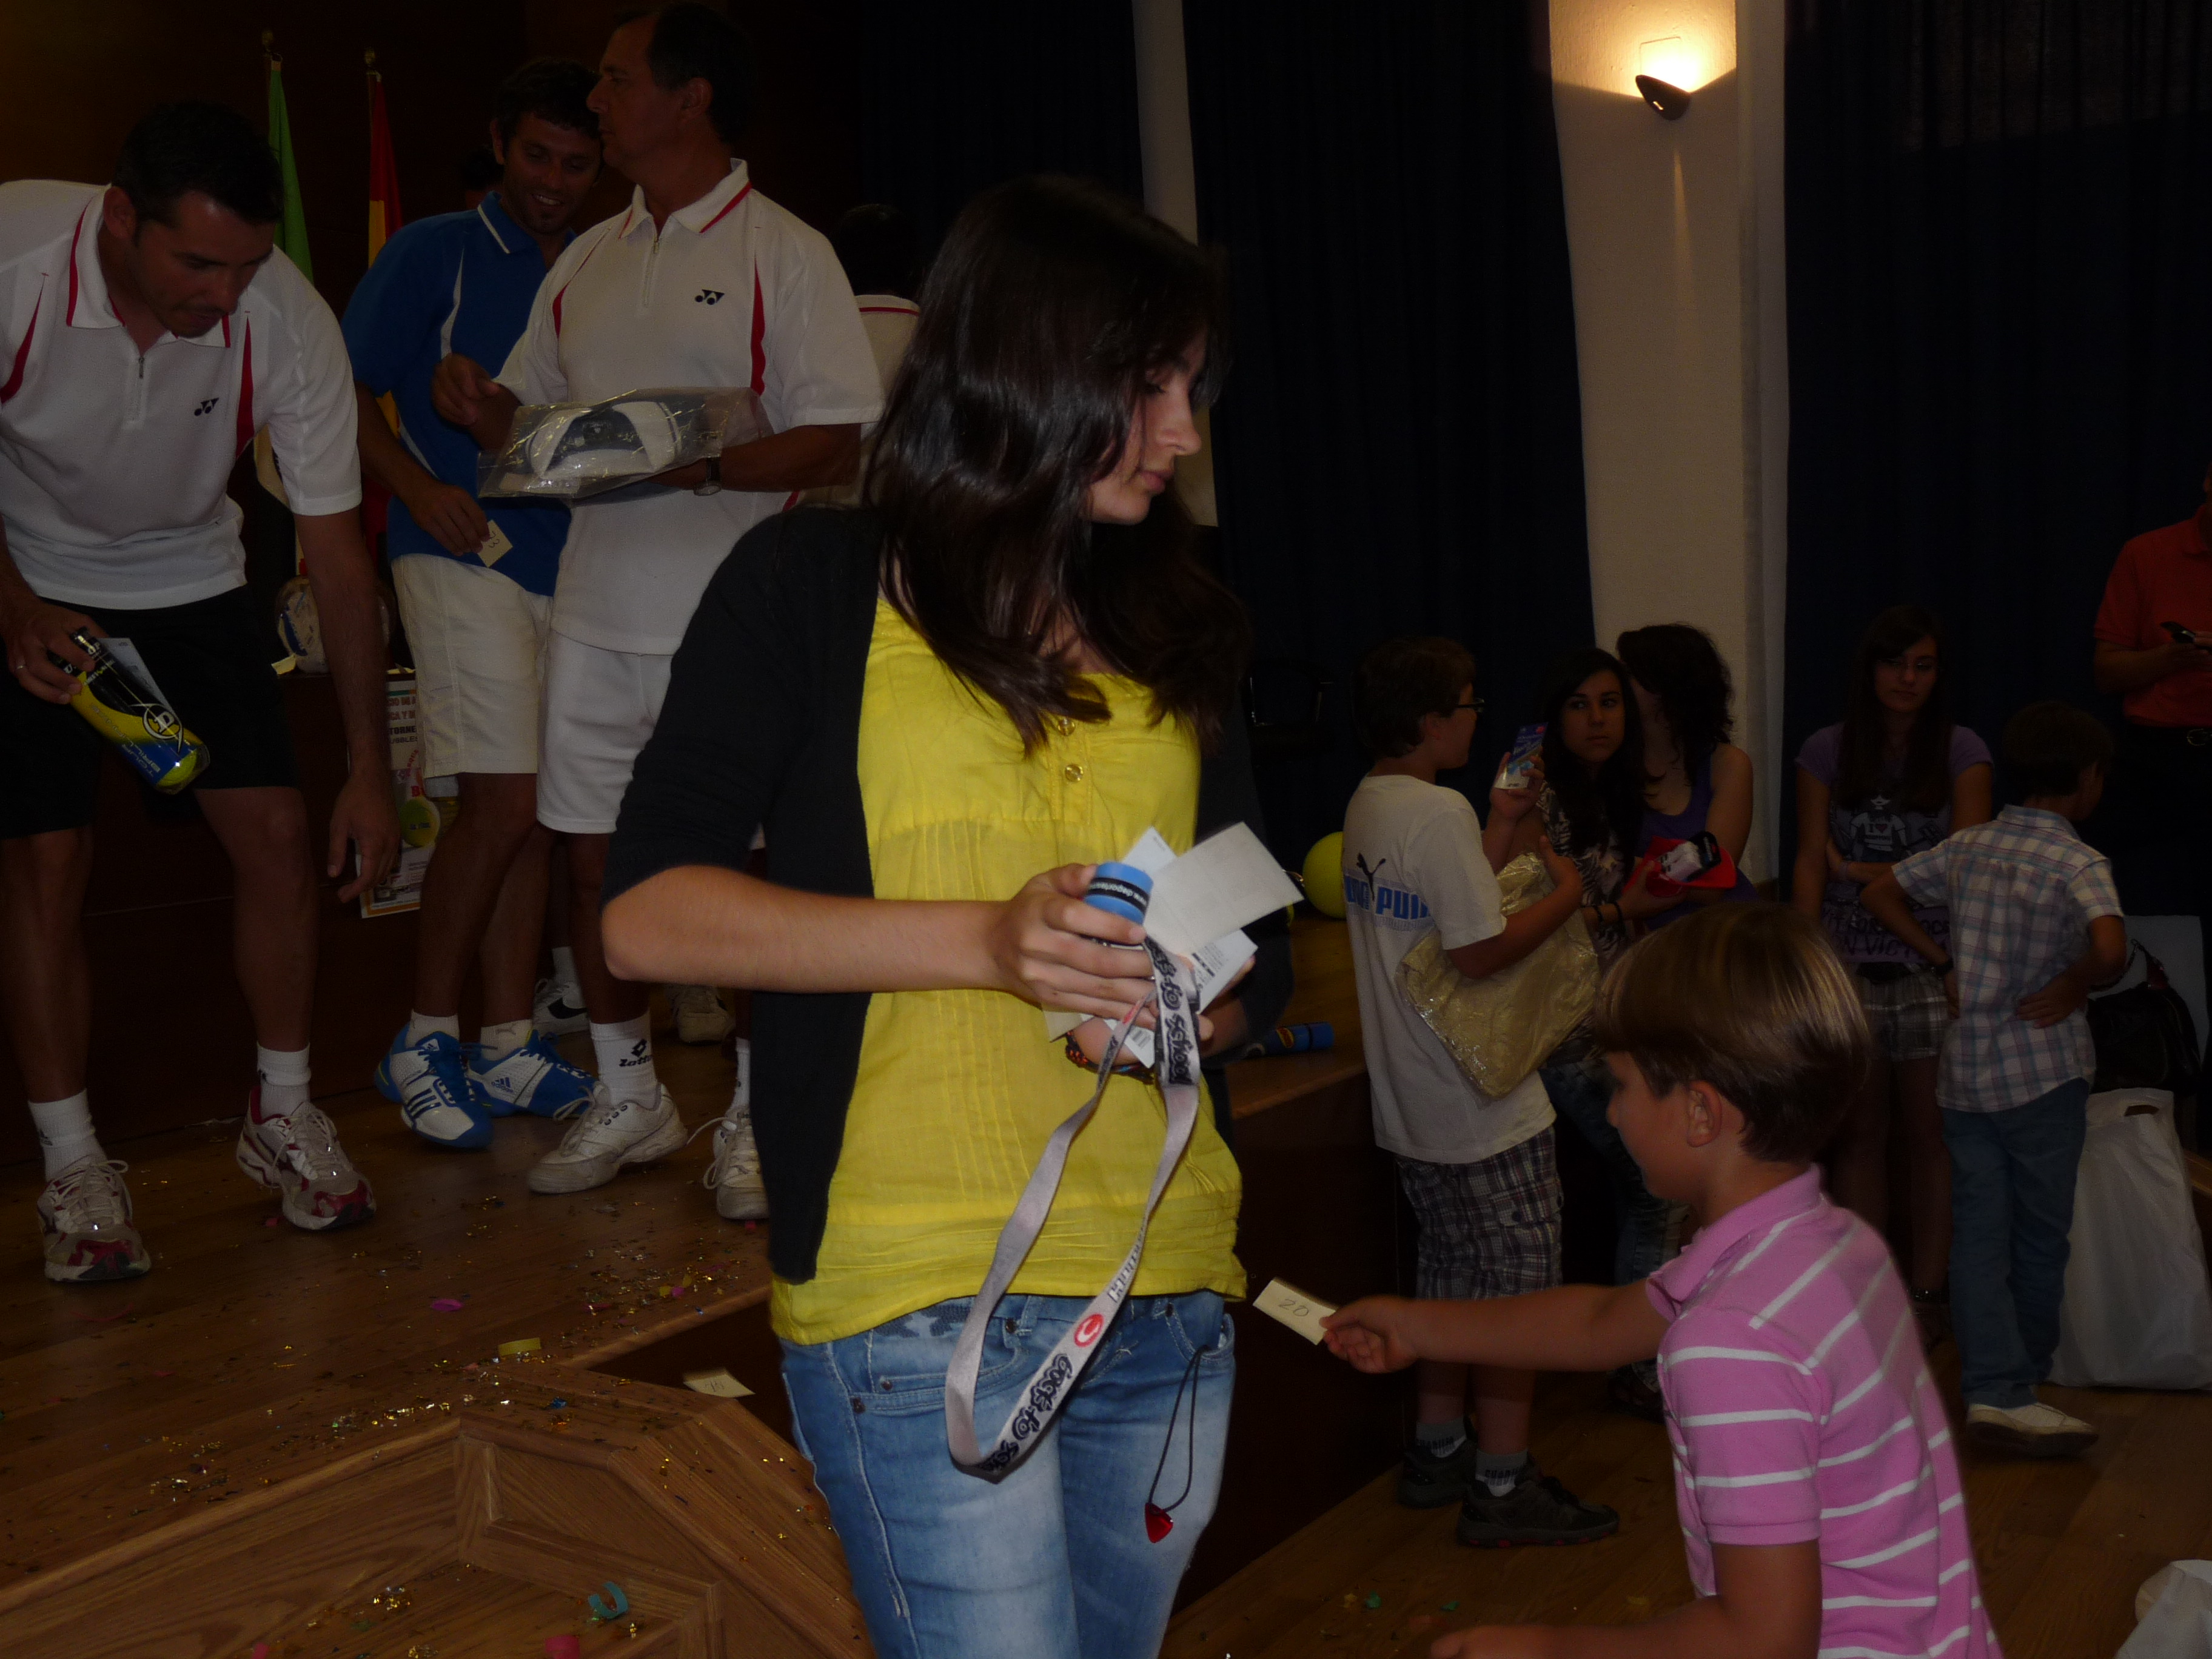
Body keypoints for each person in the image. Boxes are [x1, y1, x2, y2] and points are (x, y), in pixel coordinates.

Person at [597, 175, 1292, 1659]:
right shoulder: (810, 584)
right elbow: (647, 918)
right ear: (1028, 368)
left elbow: (1254, 939)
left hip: (1163, 1282)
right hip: (915, 1289)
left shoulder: (1181, 621)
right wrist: (986, 942)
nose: (1181, 431)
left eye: (1191, 388)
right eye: (1149, 385)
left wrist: (1188, 1007)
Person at [431, 2, 883, 1207]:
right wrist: (477, 404)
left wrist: (706, 467)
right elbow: (527, 428)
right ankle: (630, 1096)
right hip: (593, 612)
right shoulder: (587, 257)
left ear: (690, 99)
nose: (596, 102)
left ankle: (755, 1114)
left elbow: (835, 434)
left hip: (736, 623)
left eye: (617, 80)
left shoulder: (783, 249)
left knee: (747, 883)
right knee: (594, 868)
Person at [1323, 904, 1998, 1659]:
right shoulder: (1833, 1245)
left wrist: (1547, 1650)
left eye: (1622, 1085)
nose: (1612, 1114)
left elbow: (1764, 1639)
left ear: (1701, 1113)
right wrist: (1418, 1326)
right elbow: (1599, 1324)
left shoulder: (1731, 1343)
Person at [0, 104, 397, 1280]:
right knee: (46, 858)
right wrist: (15, 608)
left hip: (190, 576)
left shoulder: (282, 317)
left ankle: (283, 1112)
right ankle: (73, 1164)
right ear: (122, 217)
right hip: (28, 574)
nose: (224, 297)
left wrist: (371, 768)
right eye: (197, 265)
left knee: (278, 833)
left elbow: (337, 557)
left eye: (246, 266)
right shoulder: (16, 265)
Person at [345, 59, 605, 1150]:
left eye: (576, 164)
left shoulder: (599, 264)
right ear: (500, 144)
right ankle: (422, 1038)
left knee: (535, 815)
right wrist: (417, 488)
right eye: (536, 155)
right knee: (501, 805)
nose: (552, 181)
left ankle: (506, 1042)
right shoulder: (432, 250)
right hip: (453, 551)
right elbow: (339, 391)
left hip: (571, 564)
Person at [1339, 635, 1618, 1546]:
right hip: (1482, 1101)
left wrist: (1501, 824)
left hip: (1415, 1102)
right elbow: (1479, 951)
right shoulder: (1435, 811)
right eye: (1466, 705)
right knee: (1517, 1303)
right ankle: (1503, 1485)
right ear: (1431, 721)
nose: (1475, 719)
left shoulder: (1373, 802)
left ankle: (1439, 1450)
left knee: (1452, 1278)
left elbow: (1453, 910)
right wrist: (1569, 896)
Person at [1862, 701, 2126, 1456]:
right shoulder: (2079, 863)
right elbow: (2111, 950)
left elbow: (1881, 891)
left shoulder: (1969, 846)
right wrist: (2075, 981)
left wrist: (1943, 963)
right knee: (2039, 1235)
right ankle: (2019, 1386)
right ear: (2088, 780)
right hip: (2044, 1074)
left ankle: (1989, 1389)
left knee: (1978, 1233)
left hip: (1967, 1075)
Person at [1485, 648, 1680, 1418]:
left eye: (1610, 702)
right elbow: (1518, 924)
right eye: (1579, 705)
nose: (1597, 719)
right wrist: (1624, 908)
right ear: (1553, 717)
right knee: (1656, 1187)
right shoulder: (1537, 802)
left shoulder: (1615, 791)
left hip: (1613, 1020)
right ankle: (1637, 1365)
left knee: (1652, 1188)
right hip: (1563, 1033)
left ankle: (1638, 1357)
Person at [1792, 605, 1992, 1341]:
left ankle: (1929, 1291)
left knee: (1930, 1136)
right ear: (1869, 670)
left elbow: (1964, 865)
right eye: (1895, 663)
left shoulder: (1963, 749)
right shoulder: (1826, 749)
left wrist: (1861, 871)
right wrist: (1807, 962)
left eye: (1923, 666)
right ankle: (1867, 1291)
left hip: (1931, 964)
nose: (1908, 679)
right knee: (1858, 1135)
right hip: (1847, 963)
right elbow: (1809, 860)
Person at [2090, 468, 2212, 954]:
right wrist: (2170, 659)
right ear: (2208, 482)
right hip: (2153, 757)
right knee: (2077, 854)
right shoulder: (2147, 553)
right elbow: (2106, 673)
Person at [1617, 622, 1757, 919]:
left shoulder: (1728, 764)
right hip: (1647, 933)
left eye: (1629, 673)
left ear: (1667, 686)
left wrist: (1612, 865)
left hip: (1722, 928)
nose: (1616, 684)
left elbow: (1712, 885)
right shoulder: (1610, 764)